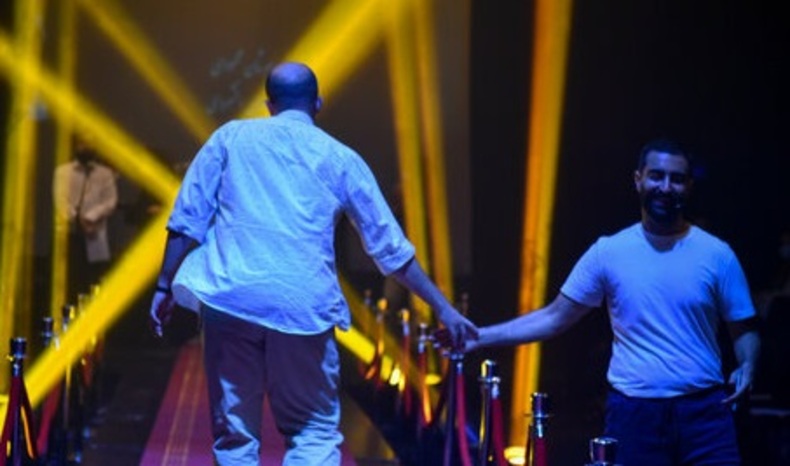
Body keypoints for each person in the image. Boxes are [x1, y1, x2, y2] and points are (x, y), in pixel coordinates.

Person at [149, 62, 477, 466]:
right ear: (317, 103)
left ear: (269, 104)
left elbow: (187, 220)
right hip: (301, 305)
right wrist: (443, 307)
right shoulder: (340, 158)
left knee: (234, 437)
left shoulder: (230, 137)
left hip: (230, 297)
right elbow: (391, 250)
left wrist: (164, 285)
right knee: (312, 433)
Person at [462, 139, 760, 465]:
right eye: (656, 176)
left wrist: (747, 363)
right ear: (638, 180)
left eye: (676, 179)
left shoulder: (717, 254)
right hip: (635, 414)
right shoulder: (609, 252)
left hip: (705, 416)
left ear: (688, 186)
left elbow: (744, 329)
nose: (665, 187)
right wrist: (479, 337)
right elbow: (554, 317)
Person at [53, 135, 118, 299]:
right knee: (70, 281)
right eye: (83, 143)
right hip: (70, 233)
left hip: (95, 234)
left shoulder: (104, 173)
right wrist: (76, 217)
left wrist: (90, 217)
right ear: (76, 145)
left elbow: (110, 201)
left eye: (90, 143)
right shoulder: (63, 172)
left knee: (94, 279)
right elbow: (60, 200)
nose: (87, 147)